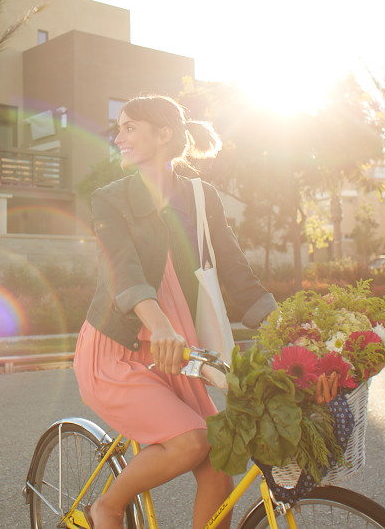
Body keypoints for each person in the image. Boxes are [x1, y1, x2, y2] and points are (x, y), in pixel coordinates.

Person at [74, 95, 277, 529]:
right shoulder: (110, 199)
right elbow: (122, 270)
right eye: (119, 127)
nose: (119, 136)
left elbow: (237, 273)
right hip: (119, 351)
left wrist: (289, 328)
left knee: (221, 460)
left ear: (164, 134)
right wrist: (161, 326)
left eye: (130, 127)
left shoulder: (202, 199)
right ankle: (106, 508)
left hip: (177, 357)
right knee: (191, 443)